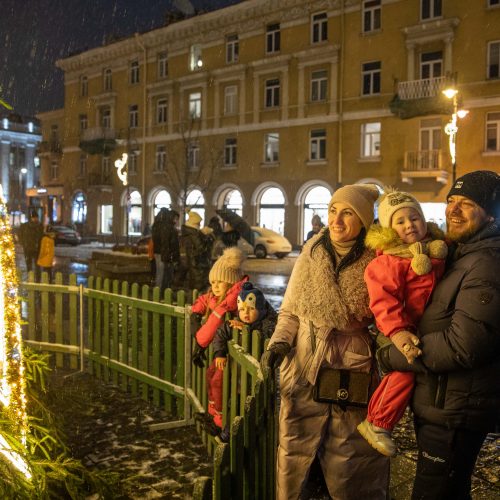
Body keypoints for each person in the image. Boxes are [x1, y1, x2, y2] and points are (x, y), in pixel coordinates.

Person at [261, 184, 389, 499]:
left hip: (352, 365)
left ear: (363, 221)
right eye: (333, 211)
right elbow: (290, 311)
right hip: (305, 360)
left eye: (348, 213)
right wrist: (279, 344)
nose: (337, 220)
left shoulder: (377, 260)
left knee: (349, 457)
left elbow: (389, 316)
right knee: (295, 451)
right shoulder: (312, 252)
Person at [377, 170, 500, 500]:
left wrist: (390, 355)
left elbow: (464, 346)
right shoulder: (462, 253)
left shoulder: (487, 263)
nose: (453, 210)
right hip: (443, 402)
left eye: (467, 203)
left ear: (491, 212)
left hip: (456, 408)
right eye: (451, 201)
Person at [356, 189, 448, 457]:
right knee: (404, 373)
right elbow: (384, 302)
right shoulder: (388, 262)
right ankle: (377, 422)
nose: (410, 225)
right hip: (396, 330)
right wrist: (398, 333)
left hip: (422, 330)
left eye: (415, 217)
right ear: (389, 228)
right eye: (400, 221)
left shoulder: (434, 249)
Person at [199, 282, 277, 441]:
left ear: (261, 310)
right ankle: (225, 431)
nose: (245, 313)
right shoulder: (236, 323)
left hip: (257, 382)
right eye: (242, 309)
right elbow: (221, 333)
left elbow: (270, 333)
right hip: (239, 381)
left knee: (249, 411)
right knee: (233, 405)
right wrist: (219, 353)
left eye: (251, 309)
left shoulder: (268, 324)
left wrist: (250, 330)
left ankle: (232, 437)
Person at [190, 247, 249, 424]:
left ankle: (220, 421)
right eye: (213, 282)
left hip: (233, 352)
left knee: (218, 382)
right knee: (211, 376)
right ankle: (212, 415)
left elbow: (215, 321)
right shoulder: (220, 295)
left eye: (219, 282)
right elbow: (205, 299)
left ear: (231, 283)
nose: (214, 286)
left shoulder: (232, 299)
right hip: (222, 350)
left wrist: (199, 343)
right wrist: (196, 312)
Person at [178, 211, 214, 292]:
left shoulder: (188, 232)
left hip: (192, 263)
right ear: (194, 223)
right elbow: (201, 248)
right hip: (197, 264)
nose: (200, 225)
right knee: (198, 287)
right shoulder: (193, 234)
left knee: (194, 286)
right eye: (198, 223)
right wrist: (205, 236)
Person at [159, 209, 180, 292]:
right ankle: (164, 293)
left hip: (170, 255)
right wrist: (169, 256)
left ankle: (165, 292)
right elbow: (166, 244)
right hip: (169, 256)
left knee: (168, 276)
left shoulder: (170, 228)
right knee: (167, 276)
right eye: (176, 218)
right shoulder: (168, 228)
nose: (177, 221)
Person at [19, 211, 44, 279]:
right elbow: (20, 235)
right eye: (34, 217)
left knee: (37, 265)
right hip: (28, 248)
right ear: (31, 218)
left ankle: (37, 278)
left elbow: (42, 236)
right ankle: (31, 277)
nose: (36, 219)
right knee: (29, 264)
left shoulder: (40, 226)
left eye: (37, 217)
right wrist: (23, 243)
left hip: (36, 248)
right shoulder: (25, 226)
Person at [152, 208, 168, 289]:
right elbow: (163, 240)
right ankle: (158, 289)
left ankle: (157, 288)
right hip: (161, 251)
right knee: (161, 272)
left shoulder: (156, 224)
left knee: (159, 271)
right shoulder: (163, 226)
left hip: (157, 250)